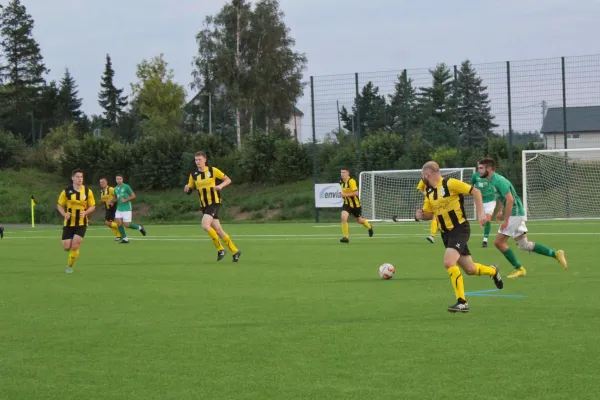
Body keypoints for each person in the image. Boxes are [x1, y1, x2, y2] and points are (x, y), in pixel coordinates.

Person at [416, 161, 503, 313]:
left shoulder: (450, 183)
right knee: (470, 269)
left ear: (427, 174)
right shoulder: (429, 192)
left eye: (423, 175)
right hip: (446, 234)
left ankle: (462, 302)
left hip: (459, 229)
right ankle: (493, 271)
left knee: (449, 262)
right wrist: (420, 215)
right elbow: (430, 214)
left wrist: (481, 213)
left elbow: (475, 192)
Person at [476, 158, 568, 278]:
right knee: (524, 245)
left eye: (481, 168)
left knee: (498, 242)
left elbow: (510, 199)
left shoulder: (499, 180)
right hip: (515, 213)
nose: (479, 171)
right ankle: (556, 254)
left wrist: (506, 220)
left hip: (515, 214)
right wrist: (499, 211)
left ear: (489, 169)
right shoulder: (492, 180)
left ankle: (519, 268)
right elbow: (503, 197)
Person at [185, 151, 241, 262]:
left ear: (205, 160)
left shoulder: (212, 170)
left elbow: (228, 180)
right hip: (204, 205)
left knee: (205, 225)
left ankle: (220, 249)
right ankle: (235, 251)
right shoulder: (193, 175)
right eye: (196, 160)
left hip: (214, 202)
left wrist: (220, 186)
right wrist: (186, 188)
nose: (197, 162)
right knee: (219, 230)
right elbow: (189, 189)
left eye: (199, 159)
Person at [57, 169, 96, 273]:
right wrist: (64, 214)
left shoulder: (88, 191)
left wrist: (86, 212)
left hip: (82, 222)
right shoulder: (66, 191)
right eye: (77, 177)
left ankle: (69, 266)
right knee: (66, 247)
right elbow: (59, 205)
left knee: (75, 245)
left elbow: (92, 206)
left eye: (81, 177)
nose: (80, 179)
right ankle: (71, 252)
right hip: (69, 223)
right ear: (73, 178)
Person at [339, 168, 373, 243]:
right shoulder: (341, 182)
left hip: (355, 205)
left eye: (344, 172)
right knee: (343, 218)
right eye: (341, 172)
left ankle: (369, 227)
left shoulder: (351, 181)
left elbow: (356, 193)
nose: (342, 174)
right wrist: (342, 195)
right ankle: (346, 237)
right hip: (347, 204)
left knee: (359, 220)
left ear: (348, 173)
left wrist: (345, 195)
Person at [469, 165, 497, 248]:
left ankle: (485, 240)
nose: (479, 169)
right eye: (478, 168)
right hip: (480, 201)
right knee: (483, 220)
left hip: (490, 201)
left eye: (481, 168)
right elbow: (470, 186)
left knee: (488, 219)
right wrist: (472, 193)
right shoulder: (475, 175)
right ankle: (484, 225)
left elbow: (496, 184)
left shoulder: (491, 175)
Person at [113, 174, 147, 244]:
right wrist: (111, 201)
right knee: (118, 223)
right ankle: (125, 239)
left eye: (120, 179)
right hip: (119, 208)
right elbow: (116, 197)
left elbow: (133, 196)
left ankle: (140, 227)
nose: (118, 180)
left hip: (126, 208)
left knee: (126, 225)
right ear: (116, 180)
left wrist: (126, 200)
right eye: (117, 179)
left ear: (122, 179)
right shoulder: (115, 188)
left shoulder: (126, 187)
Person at [417, 179, 437, 243]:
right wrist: (425, 193)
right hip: (428, 201)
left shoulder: (438, 178)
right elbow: (419, 189)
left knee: (435, 216)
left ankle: (432, 236)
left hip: (437, 201)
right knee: (429, 216)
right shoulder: (424, 180)